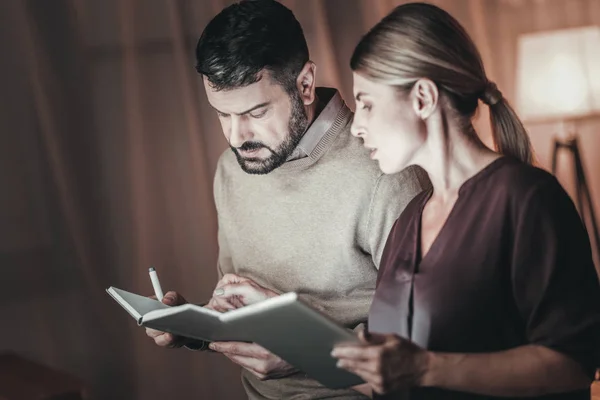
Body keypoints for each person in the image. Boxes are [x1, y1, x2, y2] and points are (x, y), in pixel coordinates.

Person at [145, 1, 430, 399]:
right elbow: (240, 309)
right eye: (222, 115)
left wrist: (305, 353)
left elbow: (423, 348)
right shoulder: (232, 169)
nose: (236, 136)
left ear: (305, 83)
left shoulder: (385, 174)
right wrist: (194, 326)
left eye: (256, 111)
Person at [327, 3, 600, 399]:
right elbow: (390, 373)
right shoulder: (408, 219)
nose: (356, 126)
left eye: (367, 103)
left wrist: (425, 368)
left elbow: (574, 364)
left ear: (422, 97)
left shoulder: (526, 199)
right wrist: (282, 336)